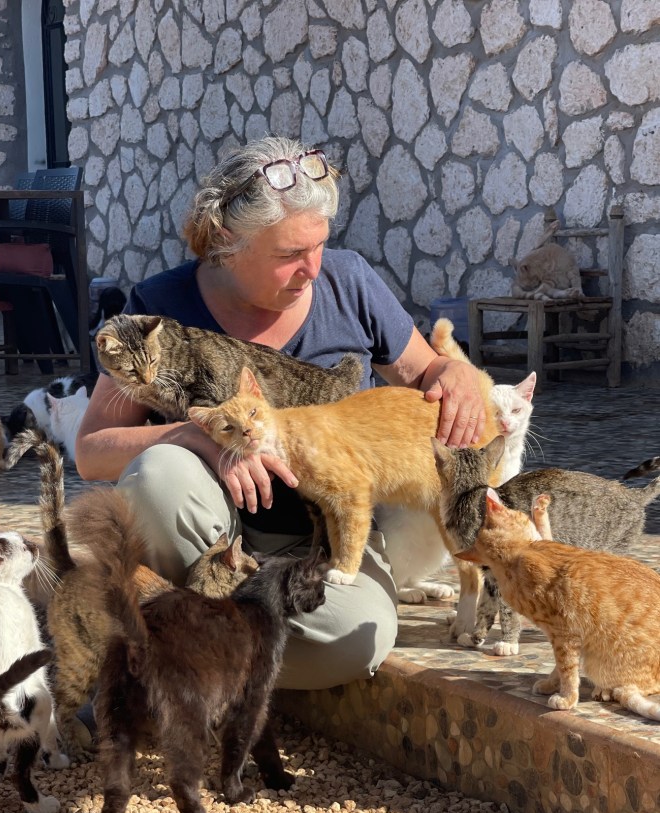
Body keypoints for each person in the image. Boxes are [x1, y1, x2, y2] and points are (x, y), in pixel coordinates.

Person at [75, 136, 486, 691]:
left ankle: (179, 640)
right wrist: (195, 437)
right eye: (290, 254)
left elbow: (427, 373)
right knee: (158, 475)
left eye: (320, 245)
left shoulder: (349, 280)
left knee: (352, 639)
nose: (312, 269)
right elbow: (91, 450)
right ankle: (212, 642)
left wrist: (454, 372)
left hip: (327, 540)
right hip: (208, 536)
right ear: (227, 241)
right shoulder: (159, 306)